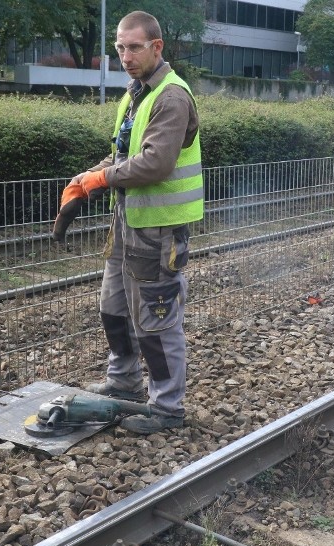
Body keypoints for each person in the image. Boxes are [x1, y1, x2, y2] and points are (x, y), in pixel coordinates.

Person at [53, 11, 203, 434]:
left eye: (134, 47)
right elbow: (123, 157)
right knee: (114, 309)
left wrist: (101, 177)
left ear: (157, 47)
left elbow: (155, 163)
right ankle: (125, 383)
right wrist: (86, 181)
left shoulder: (171, 97)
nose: (125, 55)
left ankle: (168, 409)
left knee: (156, 321)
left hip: (159, 231)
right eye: (120, 47)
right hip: (127, 225)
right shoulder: (137, 93)